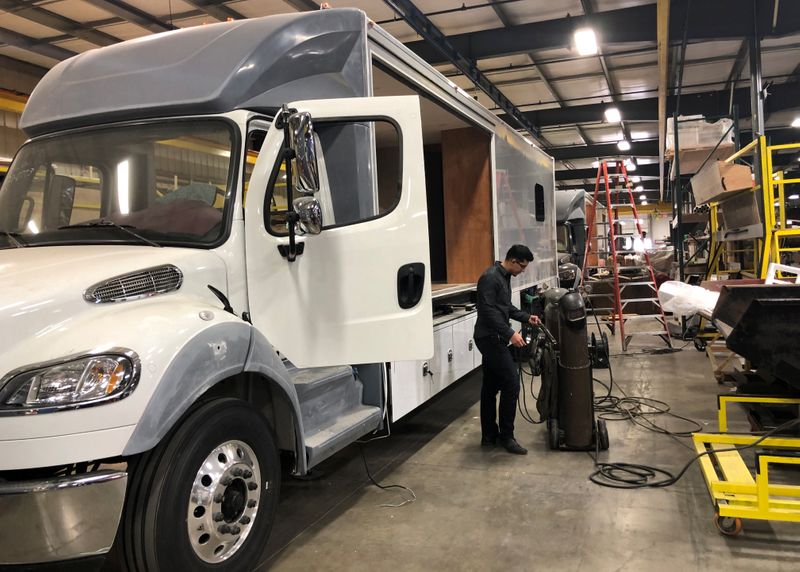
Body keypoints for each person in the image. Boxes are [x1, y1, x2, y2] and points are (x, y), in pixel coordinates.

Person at [474, 244, 541, 455]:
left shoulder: (503, 278)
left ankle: (488, 436)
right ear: (513, 261)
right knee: (512, 384)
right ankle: (507, 437)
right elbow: (487, 311)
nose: (522, 271)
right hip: (489, 339)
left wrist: (526, 317)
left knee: (491, 387)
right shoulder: (490, 278)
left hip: (496, 337)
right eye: (522, 267)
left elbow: (505, 308)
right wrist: (510, 333)